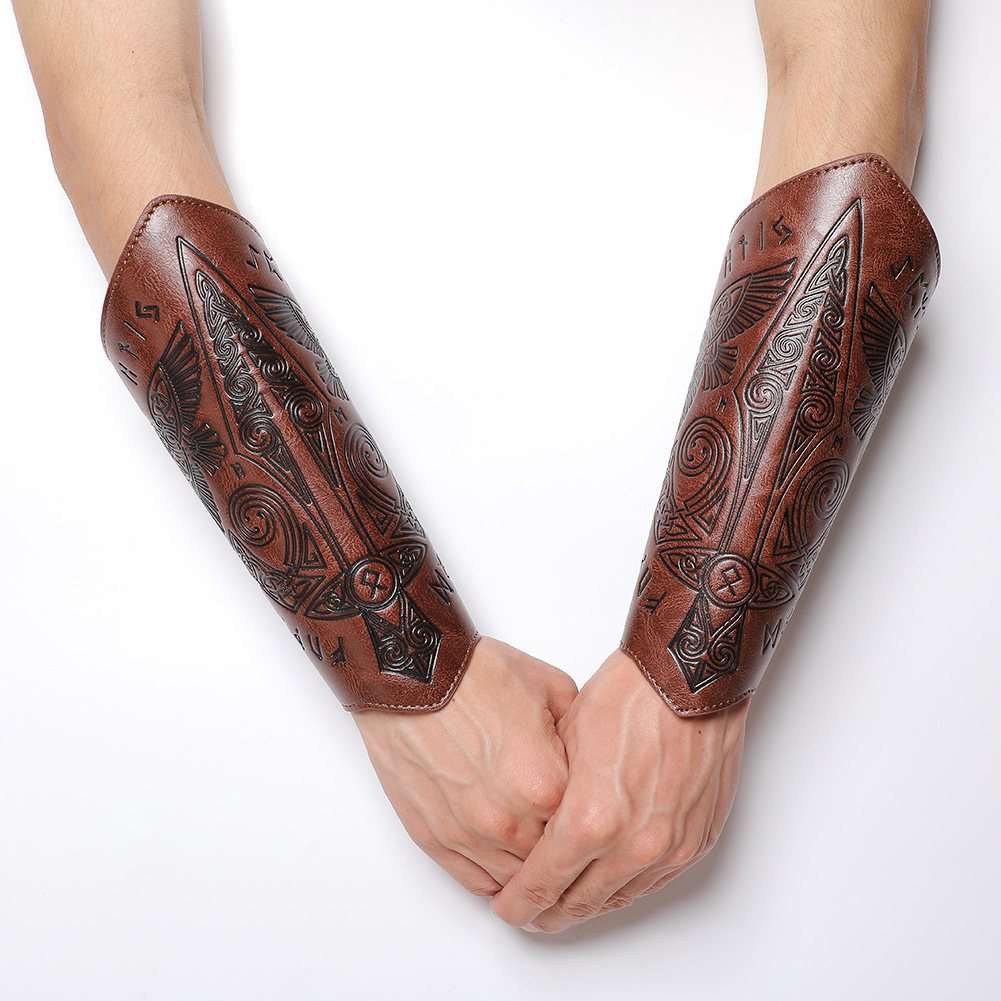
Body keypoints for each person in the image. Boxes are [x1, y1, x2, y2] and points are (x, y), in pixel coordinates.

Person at [11, 0, 933, 934]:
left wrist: (693, 659)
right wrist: (406, 661)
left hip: (847, 743)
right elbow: (111, 115)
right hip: (257, 739)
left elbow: (858, 88)